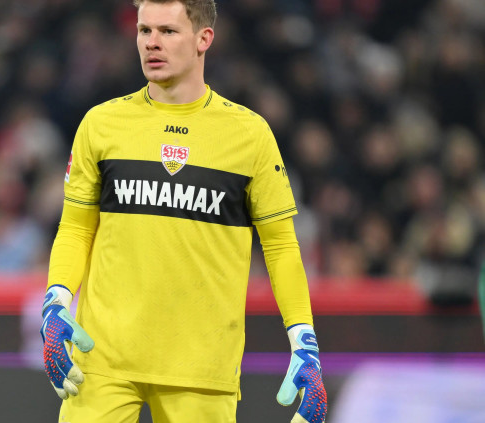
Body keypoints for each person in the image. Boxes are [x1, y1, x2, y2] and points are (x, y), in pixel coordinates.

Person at [40, 0, 328, 422]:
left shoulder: (249, 135)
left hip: (201, 370)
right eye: (144, 30)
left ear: (203, 39)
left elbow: (281, 246)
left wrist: (304, 342)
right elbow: (76, 229)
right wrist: (56, 301)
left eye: (168, 31)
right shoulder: (101, 124)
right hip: (101, 361)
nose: (151, 43)